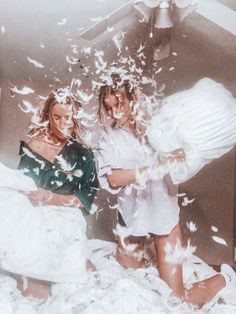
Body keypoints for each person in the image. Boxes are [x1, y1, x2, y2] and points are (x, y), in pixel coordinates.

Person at [95, 74, 235, 308]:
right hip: (132, 223)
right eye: (108, 108)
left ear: (132, 98)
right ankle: (149, 257)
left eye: (119, 105)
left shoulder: (158, 126)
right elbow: (115, 178)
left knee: (176, 302)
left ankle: (224, 278)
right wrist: (158, 165)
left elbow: (188, 155)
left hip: (164, 220)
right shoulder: (108, 138)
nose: (114, 113)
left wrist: (181, 157)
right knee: (130, 292)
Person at [0, 88, 98, 299]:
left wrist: (51, 198)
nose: (63, 123)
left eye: (68, 117)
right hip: (35, 215)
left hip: (67, 216)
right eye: (57, 117)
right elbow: (21, 185)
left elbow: (85, 200)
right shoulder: (34, 147)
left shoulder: (85, 155)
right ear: (48, 117)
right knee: (37, 292)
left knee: (88, 284)